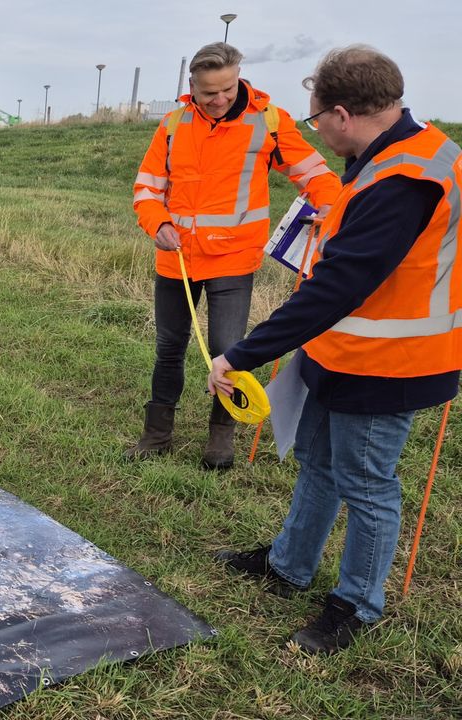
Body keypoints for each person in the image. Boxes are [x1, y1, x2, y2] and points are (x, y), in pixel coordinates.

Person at [210, 46, 460, 654]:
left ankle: (356, 604)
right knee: (317, 462)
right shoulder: (402, 150)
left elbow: (340, 285)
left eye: (317, 118)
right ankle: (289, 565)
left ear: (344, 114)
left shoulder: (404, 179)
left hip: (389, 362)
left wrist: (241, 354)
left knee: (367, 484)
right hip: (342, 349)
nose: (316, 131)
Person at [129, 42, 341, 469]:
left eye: (227, 88)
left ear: (239, 77)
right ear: (192, 87)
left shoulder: (269, 121)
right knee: (169, 348)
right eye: (210, 92)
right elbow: (147, 189)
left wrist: (333, 208)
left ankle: (220, 440)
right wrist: (158, 223)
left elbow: (315, 174)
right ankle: (157, 435)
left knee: (228, 351)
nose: (220, 99)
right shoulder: (172, 125)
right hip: (177, 259)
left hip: (233, 260)